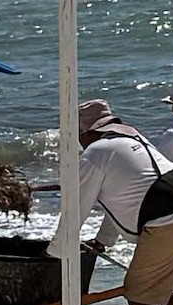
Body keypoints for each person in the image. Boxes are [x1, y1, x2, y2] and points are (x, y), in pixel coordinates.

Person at [69, 101, 164, 294]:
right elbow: (122, 201)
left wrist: (56, 250)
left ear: (86, 132)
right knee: (170, 287)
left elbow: (77, 209)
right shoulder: (134, 139)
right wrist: (102, 240)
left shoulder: (96, 152)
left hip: (163, 222)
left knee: (138, 293)